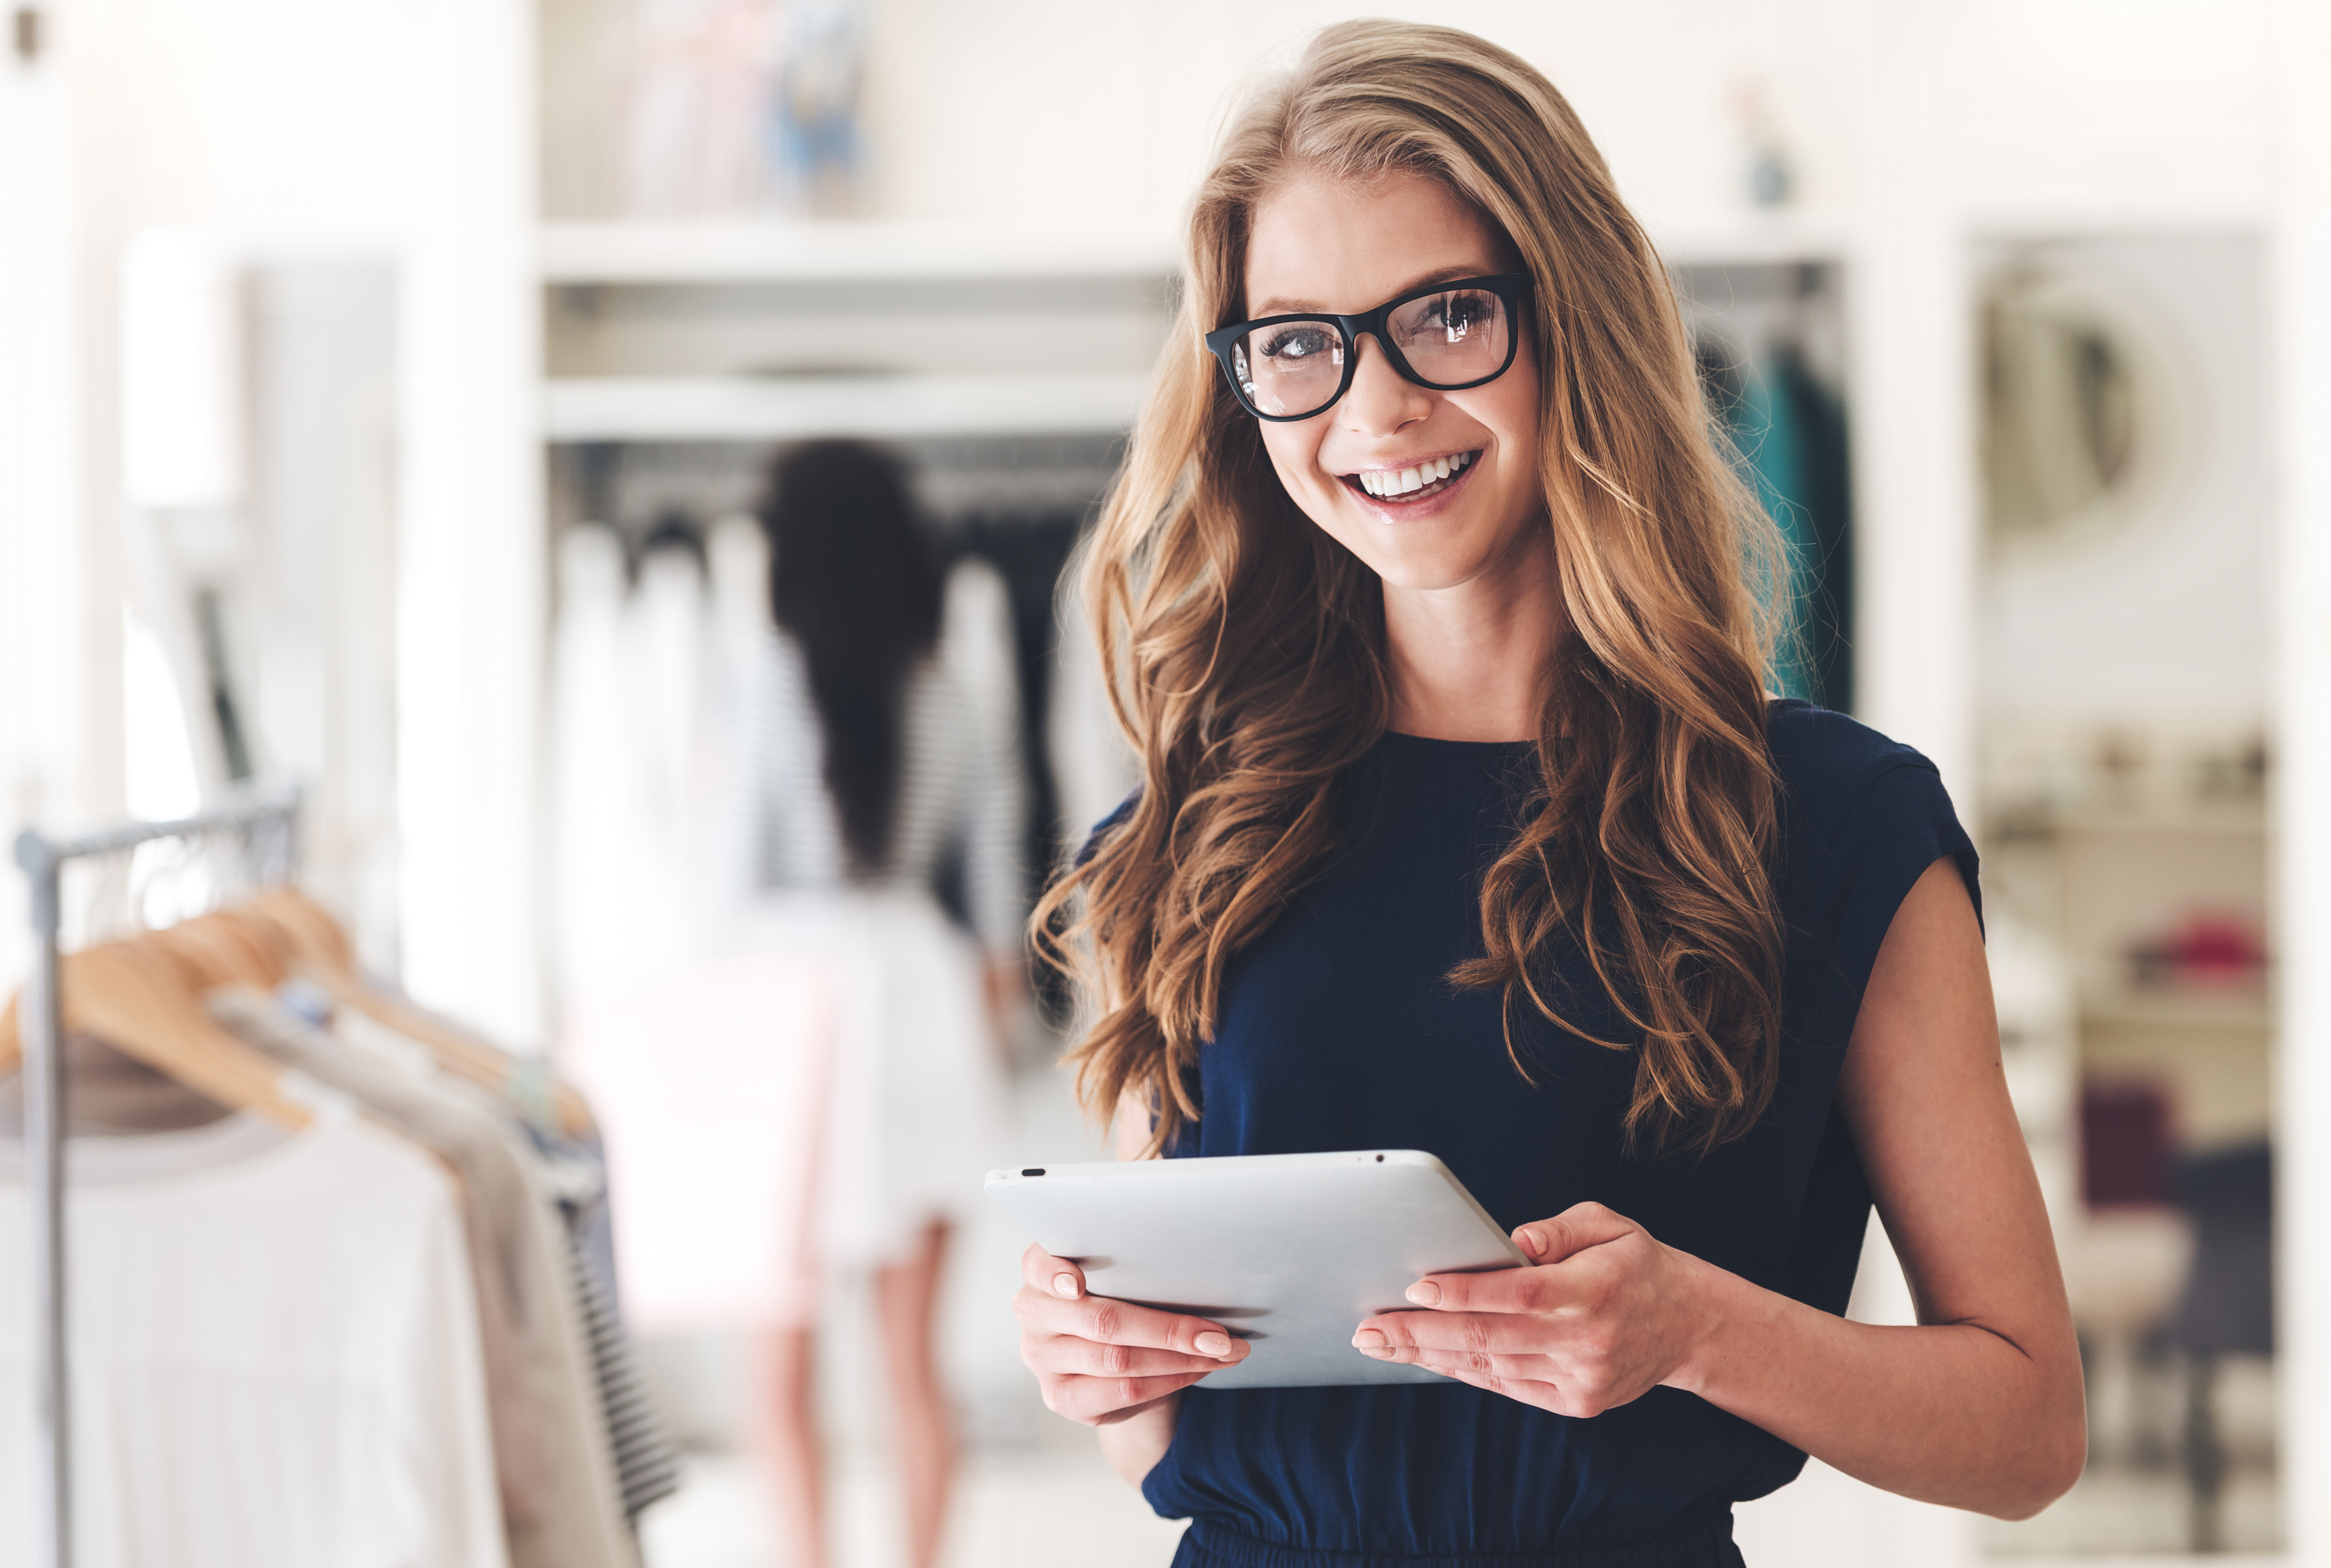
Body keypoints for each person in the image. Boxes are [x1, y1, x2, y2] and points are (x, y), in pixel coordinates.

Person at [1013, 20, 2084, 1568]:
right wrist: (1097, 1368)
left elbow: (2029, 1432)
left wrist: (1692, 1328)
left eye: (1445, 316)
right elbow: (1173, 1439)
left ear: (1570, 317)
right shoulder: (1180, 841)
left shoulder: (1836, 826)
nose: (1371, 410)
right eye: (1300, 341)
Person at [746, 440, 1025, 1568]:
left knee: (780, 1369)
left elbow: (730, 880)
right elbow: (998, 870)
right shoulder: (947, 685)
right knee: (916, 1367)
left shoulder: (769, 683)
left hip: (794, 1009)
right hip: (920, 996)